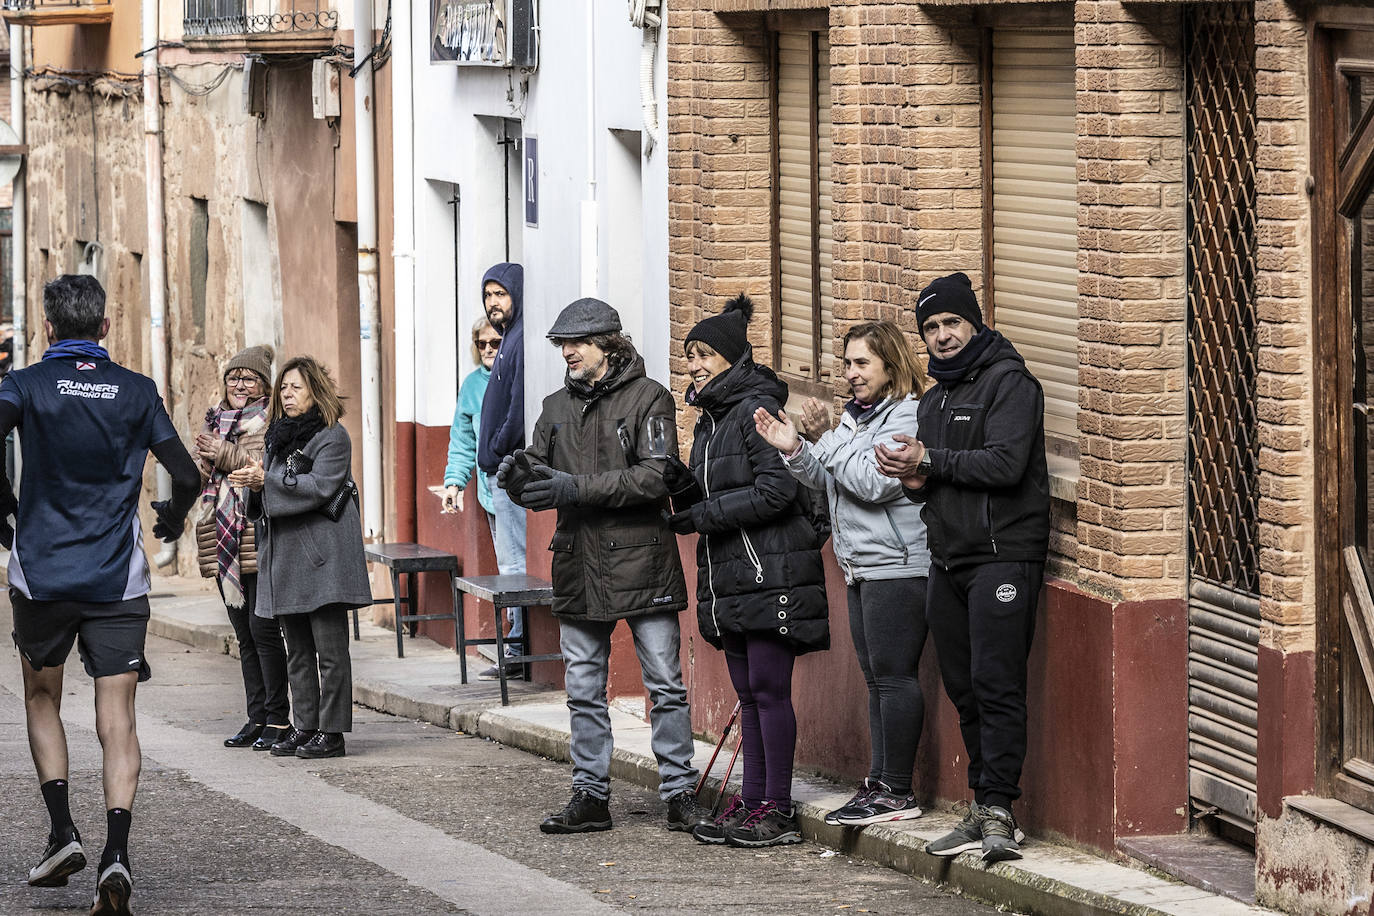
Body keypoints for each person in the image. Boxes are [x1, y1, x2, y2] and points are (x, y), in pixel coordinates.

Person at [3, 275, 199, 916]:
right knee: (119, 717)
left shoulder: (26, 384)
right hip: (117, 579)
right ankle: (116, 852)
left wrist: (1, 505)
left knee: (40, 694)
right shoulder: (137, 391)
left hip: (43, 575)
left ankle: (63, 831)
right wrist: (169, 520)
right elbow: (187, 472)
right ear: (106, 329)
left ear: (49, 328)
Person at [498, 297, 710, 835]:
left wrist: (576, 488)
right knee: (584, 689)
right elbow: (539, 481)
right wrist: (516, 476)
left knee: (664, 685)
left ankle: (681, 792)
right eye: (562, 344)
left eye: (577, 344)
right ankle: (590, 796)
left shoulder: (651, 399)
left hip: (644, 563)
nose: (566, 353)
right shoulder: (553, 407)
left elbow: (656, 477)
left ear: (608, 346)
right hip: (577, 564)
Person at [874, 271, 1050, 864]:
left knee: (998, 683)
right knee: (964, 685)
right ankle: (980, 805)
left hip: (1003, 557)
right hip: (947, 558)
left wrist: (933, 459)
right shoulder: (935, 396)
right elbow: (942, 478)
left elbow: (1004, 465)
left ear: (974, 322)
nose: (943, 336)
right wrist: (915, 477)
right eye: (931, 328)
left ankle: (1001, 809)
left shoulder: (1011, 383)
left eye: (953, 323)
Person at [666, 293, 829, 848]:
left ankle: (777, 809)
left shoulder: (755, 409)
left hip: (770, 571)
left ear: (733, 358)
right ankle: (754, 798)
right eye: (690, 355)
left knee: (768, 689)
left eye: (705, 354)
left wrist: (701, 515)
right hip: (730, 574)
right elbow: (716, 488)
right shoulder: (711, 418)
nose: (695, 365)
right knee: (749, 693)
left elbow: (777, 490)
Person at [754, 319, 931, 828]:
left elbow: (874, 485)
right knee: (876, 680)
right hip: (860, 563)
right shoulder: (856, 418)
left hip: (899, 566)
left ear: (891, 365)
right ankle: (878, 783)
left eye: (862, 364)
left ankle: (898, 790)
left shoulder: (908, 418)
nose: (851, 374)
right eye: (847, 363)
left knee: (895, 678)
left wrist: (827, 438)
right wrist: (794, 449)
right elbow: (833, 481)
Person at [230, 356, 372, 761]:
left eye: (295, 387)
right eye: (284, 388)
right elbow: (270, 489)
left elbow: (320, 487)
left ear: (315, 391)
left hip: (322, 560)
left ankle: (333, 733)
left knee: (330, 653)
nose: (287, 394)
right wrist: (256, 485)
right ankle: (305, 726)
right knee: (298, 653)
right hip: (286, 561)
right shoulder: (278, 435)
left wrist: (266, 481)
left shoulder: (332, 436)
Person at [194, 344, 291, 751]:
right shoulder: (217, 420)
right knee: (243, 634)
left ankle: (279, 720)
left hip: (256, 537)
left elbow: (262, 473)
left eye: (248, 378)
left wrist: (223, 454)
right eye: (233, 378)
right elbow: (207, 480)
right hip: (223, 537)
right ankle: (256, 717)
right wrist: (205, 463)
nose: (238, 384)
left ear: (263, 386)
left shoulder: (272, 422)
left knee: (263, 630)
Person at [476, 262, 527, 678]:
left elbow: (517, 408)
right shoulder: (508, 337)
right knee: (508, 561)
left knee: (514, 563)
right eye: (489, 295)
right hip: (497, 470)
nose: (494, 302)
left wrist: (499, 447)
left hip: (509, 469)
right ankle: (515, 644)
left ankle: (516, 649)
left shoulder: (521, 338)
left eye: (500, 294)